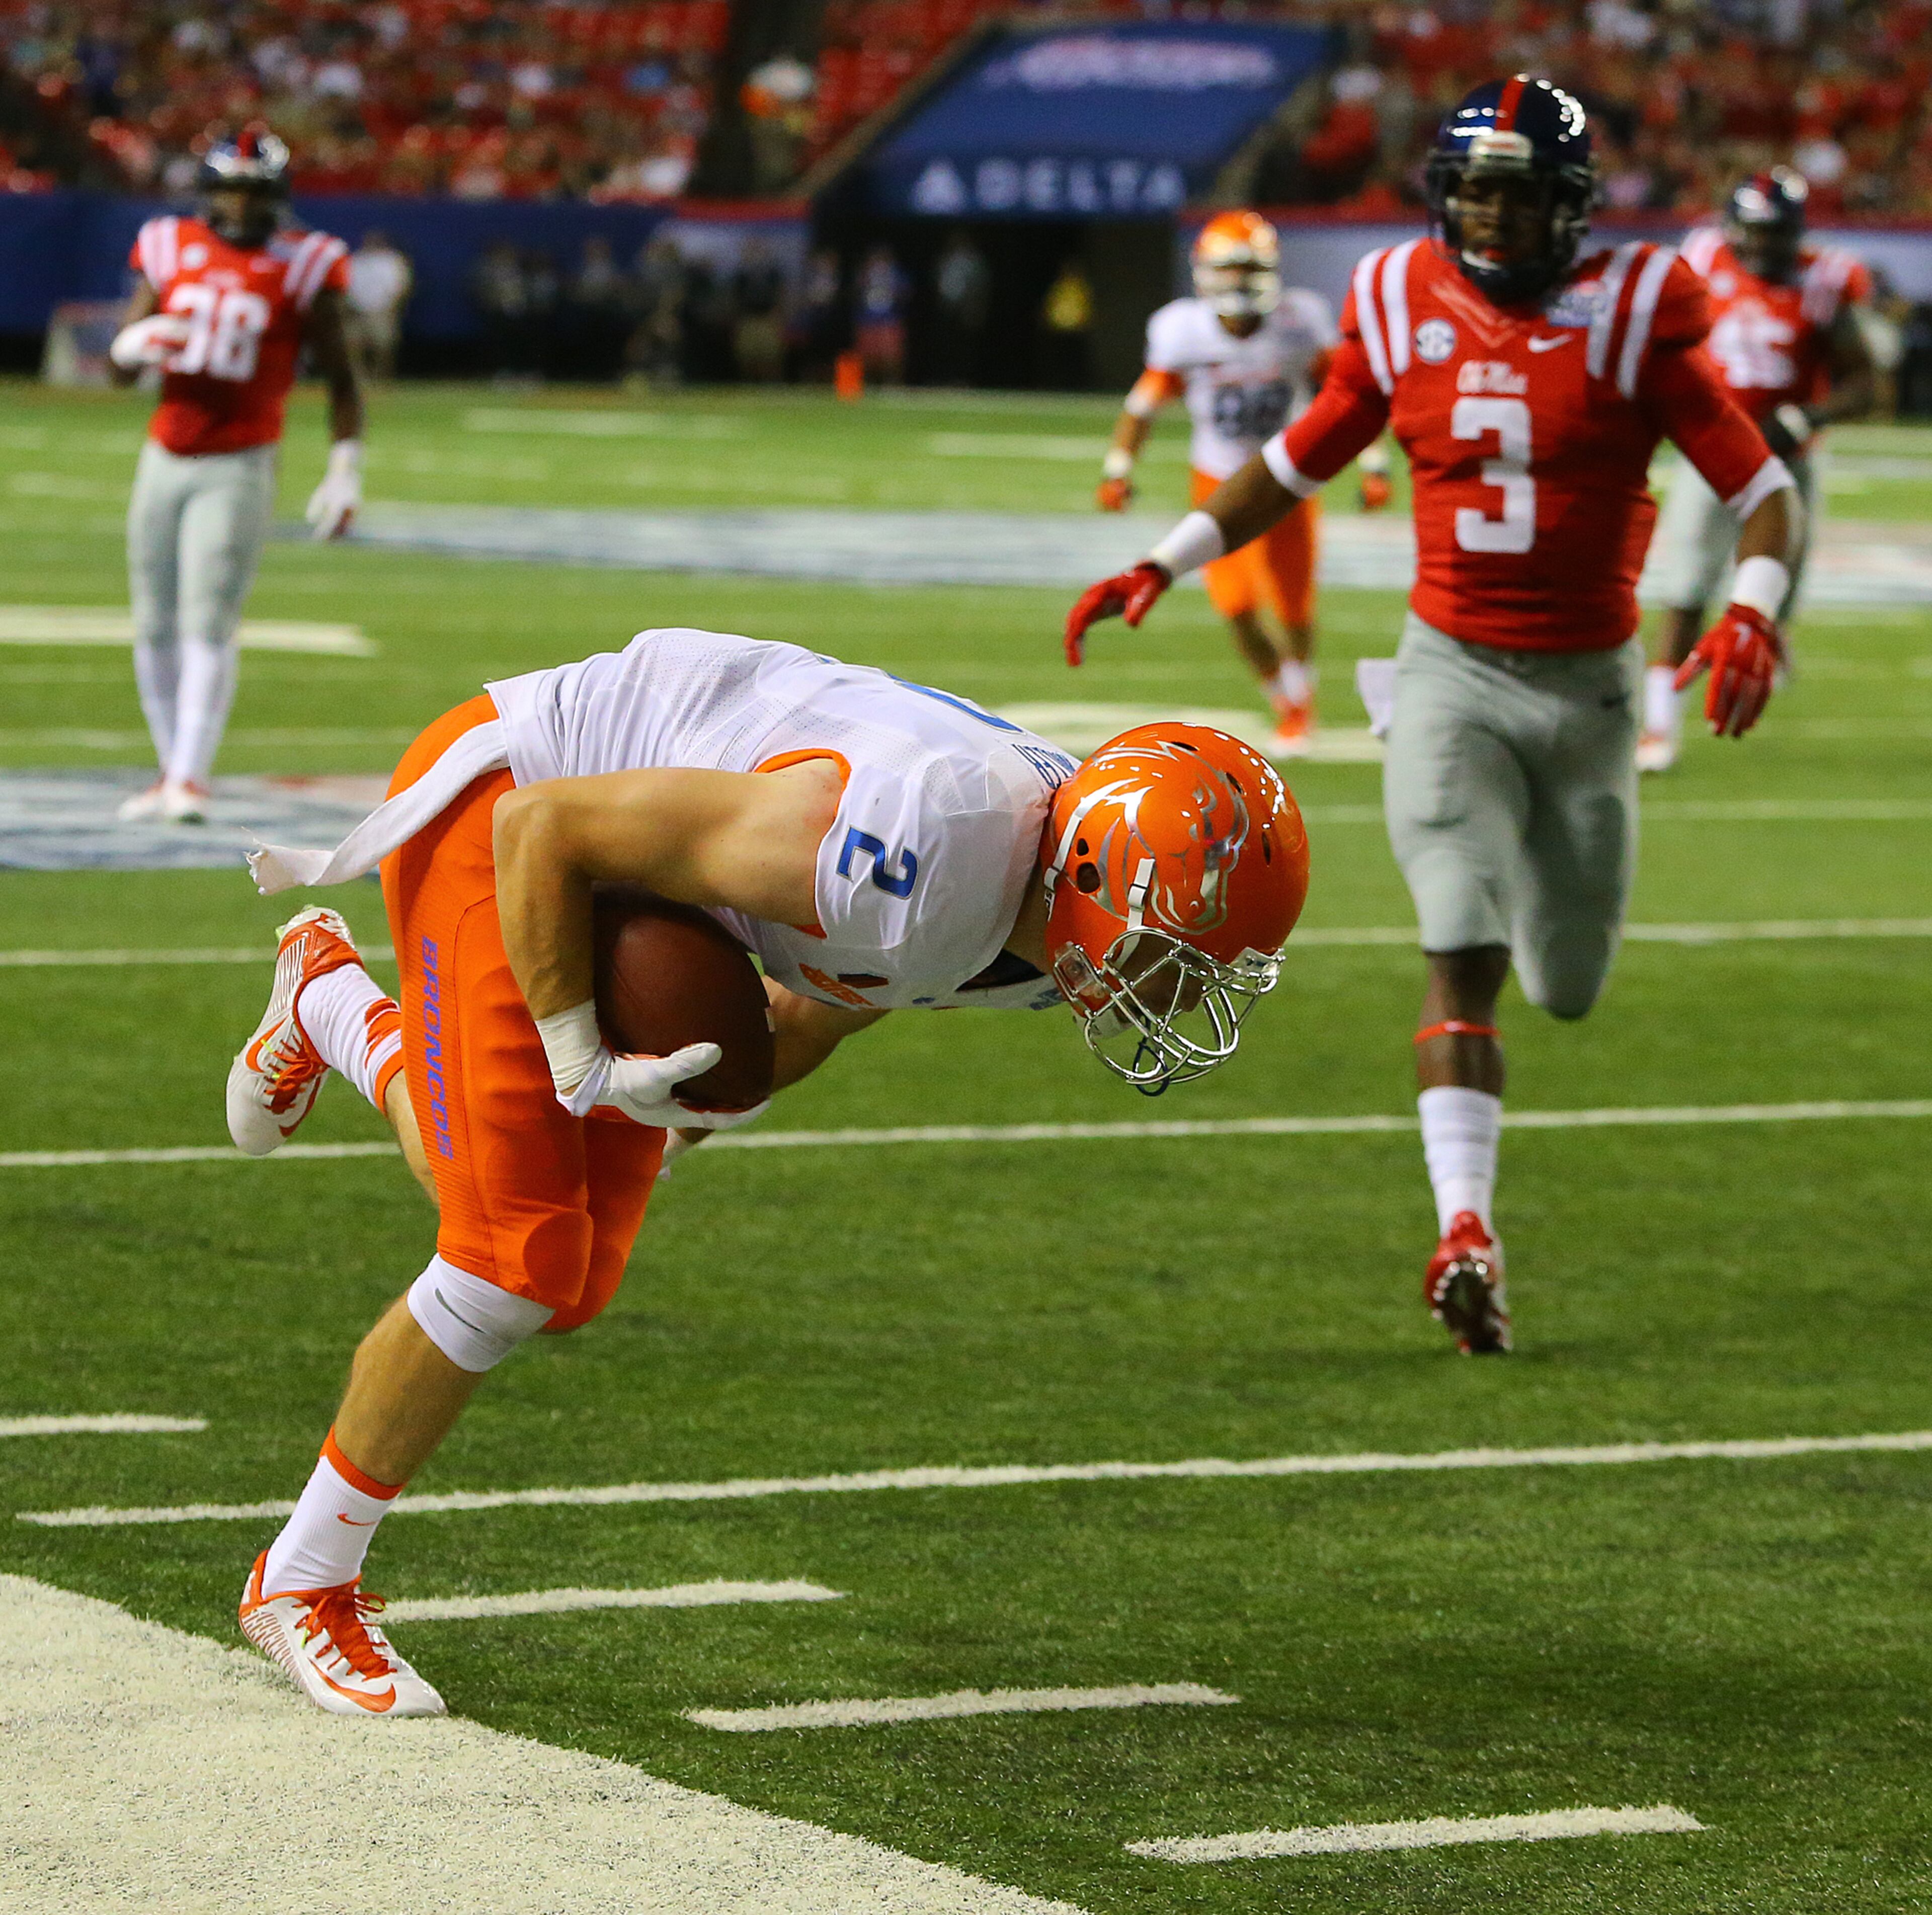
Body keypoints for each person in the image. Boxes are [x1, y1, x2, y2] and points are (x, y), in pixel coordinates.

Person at [222, 628, 1309, 1715]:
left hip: (651, 845)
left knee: (572, 1275)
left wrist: (707, 1110)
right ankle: (305, 1580)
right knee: (512, 1256)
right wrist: (575, 1059)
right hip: (525, 789)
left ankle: (332, 1003)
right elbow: (542, 829)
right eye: (1171, 958)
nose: (1178, 996)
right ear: (1088, 878)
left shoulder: (1028, 912)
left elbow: (829, 1002)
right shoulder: (916, 841)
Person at [1066, 77, 1796, 1355]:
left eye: (1518, 194)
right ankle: (1465, 1230)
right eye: (1474, 191)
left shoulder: (1635, 311)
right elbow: (1303, 450)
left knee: (1565, 983)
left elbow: (1760, 482)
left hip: (1587, 687)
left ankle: (1513, 860)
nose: (1493, 216)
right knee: (1456, 944)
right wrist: (1167, 558)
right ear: (1442, 199)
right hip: (1447, 667)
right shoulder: (1399, 297)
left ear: (1569, 205)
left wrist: (1754, 607)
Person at [108, 124, 363, 826]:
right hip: (164, 452)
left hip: (241, 460)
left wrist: (345, 466)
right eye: (228, 188)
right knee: (153, 621)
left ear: (275, 196)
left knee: (207, 619)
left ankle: (190, 776)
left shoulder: (306, 261)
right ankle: (171, 770)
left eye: (252, 191)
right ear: (208, 191)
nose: (240, 204)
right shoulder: (168, 245)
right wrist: (131, 344)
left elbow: (342, 377)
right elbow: (117, 369)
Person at [1637, 168, 1874, 771]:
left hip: (1788, 459)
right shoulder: (1697, 261)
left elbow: (1870, 384)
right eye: (1755, 233)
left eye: (1777, 234)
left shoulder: (1824, 281)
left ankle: (1770, 636)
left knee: (1773, 601)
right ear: (1732, 229)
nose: (1765, 247)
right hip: (1712, 451)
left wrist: (1802, 419)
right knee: (1685, 589)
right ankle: (1658, 725)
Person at [1096, 212, 1342, 750]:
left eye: (1249, 269)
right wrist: (1119, 467)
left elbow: (1345, 393)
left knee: (1296, 606)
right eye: (1228, 270)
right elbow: (1144, 404)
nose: (1239, 281)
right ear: (1205, 273)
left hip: (1288, 480)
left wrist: (1370, 463)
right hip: (1220, 483)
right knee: (1235, 605)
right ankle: (1286, 696)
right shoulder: (1182, 329)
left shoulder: (1301, 322)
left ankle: (1301, 693)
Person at [344, 229, 412, 381]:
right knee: (354, 345)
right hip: (357, 310)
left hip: (383, 310)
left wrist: (393, 307)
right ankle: (360, 379)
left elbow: (402, 285)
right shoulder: (356, 260)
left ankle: (380, 377)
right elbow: (346, 285)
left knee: (382, 346)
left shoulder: (393, 261)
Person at [933, 230, 989, 386]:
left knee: (964, 347)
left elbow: (980, 287)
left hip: (966, 309)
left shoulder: (974, 261)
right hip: (947, 309)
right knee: (945, 346)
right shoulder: (945, 259)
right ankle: (945, 378)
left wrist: (976, 309)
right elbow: (939, 283)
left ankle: (963, 379)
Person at [731, 235, 788, 383]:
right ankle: (748, 383)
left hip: (767, 318)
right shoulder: (741, 275)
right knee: (747, 354)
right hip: (748, 319)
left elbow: (780, 295)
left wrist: (779, 316)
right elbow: (736, 298)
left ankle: (772, 383)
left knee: (770, 354)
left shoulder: (772, 273)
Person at [854, 247, 908, 385]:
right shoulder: (865, 274)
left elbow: (906, 293)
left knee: (891, 357)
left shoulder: (895, 274)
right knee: (867, 356)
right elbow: (856, 291)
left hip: (889, 320)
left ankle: (893, 385)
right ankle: (866, 384)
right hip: (868, 320)